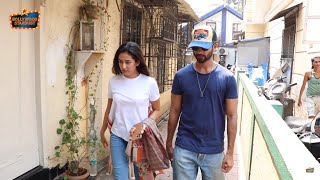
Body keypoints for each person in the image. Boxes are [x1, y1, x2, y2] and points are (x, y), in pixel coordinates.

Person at [166, 25, 238, 180]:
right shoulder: (181, 76)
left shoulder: (227, 78)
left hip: (214, 150)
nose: (199, 52)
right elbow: (174, 110)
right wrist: (169, 143)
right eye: (196, 48)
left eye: (204, 48)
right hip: (184, 147)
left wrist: (230, 153)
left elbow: (232, 116)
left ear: (215, 46)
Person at [100, 42, 161, 180]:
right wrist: (102, 130)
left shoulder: (149, 82)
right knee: (120, 176)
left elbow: (157, 109)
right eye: (120, 62)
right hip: (118, 135)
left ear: (137, 62)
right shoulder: (114, 81)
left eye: (128, 62)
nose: (123, 66)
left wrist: (144, 125)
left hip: (140, 138)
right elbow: (109, 108)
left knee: (143, 176)